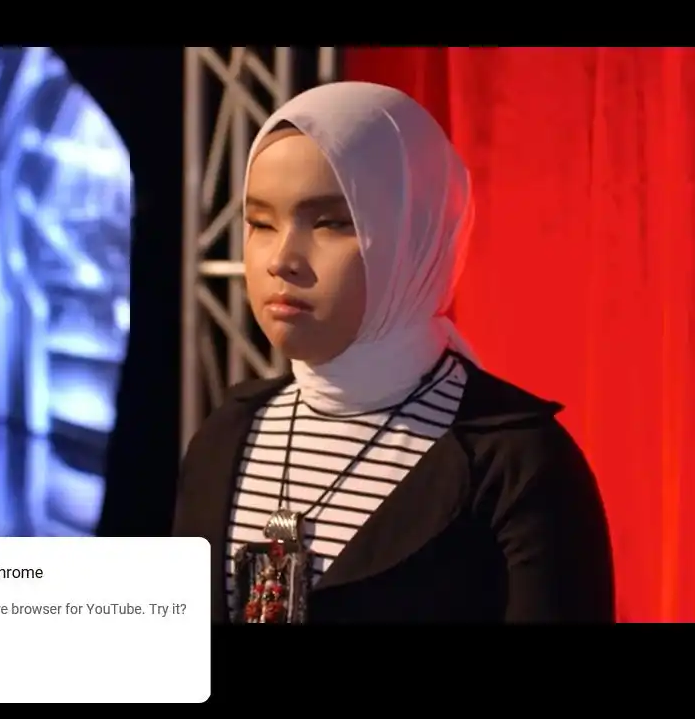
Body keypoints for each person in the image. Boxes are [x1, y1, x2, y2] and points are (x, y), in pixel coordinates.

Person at [172, 81, 615, 623]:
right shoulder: (226, 435)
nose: (280, 259)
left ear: (414, 234)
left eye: (332, 223)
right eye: (261, 223)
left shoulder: (514, 460)